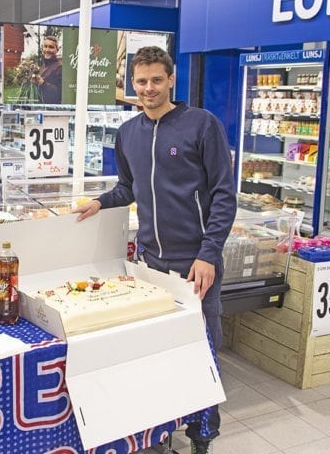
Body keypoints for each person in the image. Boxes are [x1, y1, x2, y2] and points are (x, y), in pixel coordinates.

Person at [72, 46, 236, 454]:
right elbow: (129, 187)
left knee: (203, 351)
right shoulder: (128, 132)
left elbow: (223, 195)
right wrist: (100, 202)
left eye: (156, 80)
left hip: (196, 264)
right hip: (150, 264)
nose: (148, 88)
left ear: (171, 79)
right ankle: (160, 432)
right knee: (159, 353)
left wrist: (209, 252)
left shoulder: (201, 124)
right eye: (141, 81)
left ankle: (202, 439)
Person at [33, 35, 62, 104]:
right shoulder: (43, 65)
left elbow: (60, 93)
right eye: (45, 46)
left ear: (57, 50)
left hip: (51, 109)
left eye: (51, 47)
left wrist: (43, 83)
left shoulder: (60, 67)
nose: (47, 50)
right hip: (40, 106)